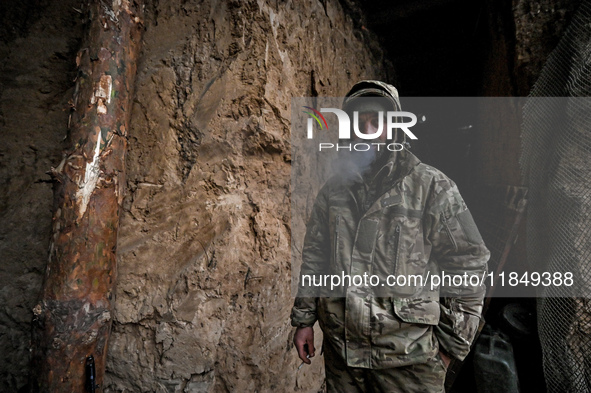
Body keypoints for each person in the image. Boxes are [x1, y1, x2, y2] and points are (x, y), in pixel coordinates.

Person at [290, 80, 490, 392]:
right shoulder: (333, 191)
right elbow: (316, 257)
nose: (368, 130)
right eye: (360, 122)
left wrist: (452, 346)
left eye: (377, 121)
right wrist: (304, 320)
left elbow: (469, 263)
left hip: (408, 361)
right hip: (342, 357)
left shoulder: (432, 187)